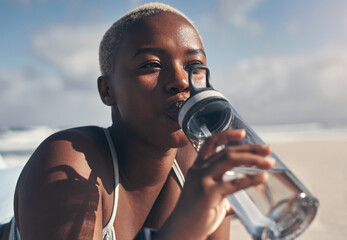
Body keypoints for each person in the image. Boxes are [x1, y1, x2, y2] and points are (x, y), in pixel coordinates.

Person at [1, 3, 274, 240]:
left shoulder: (200, 167)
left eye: (194, 67)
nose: (180, 81)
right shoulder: (68, 162)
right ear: (107, 91)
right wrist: (185, 228)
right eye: (151, 65)